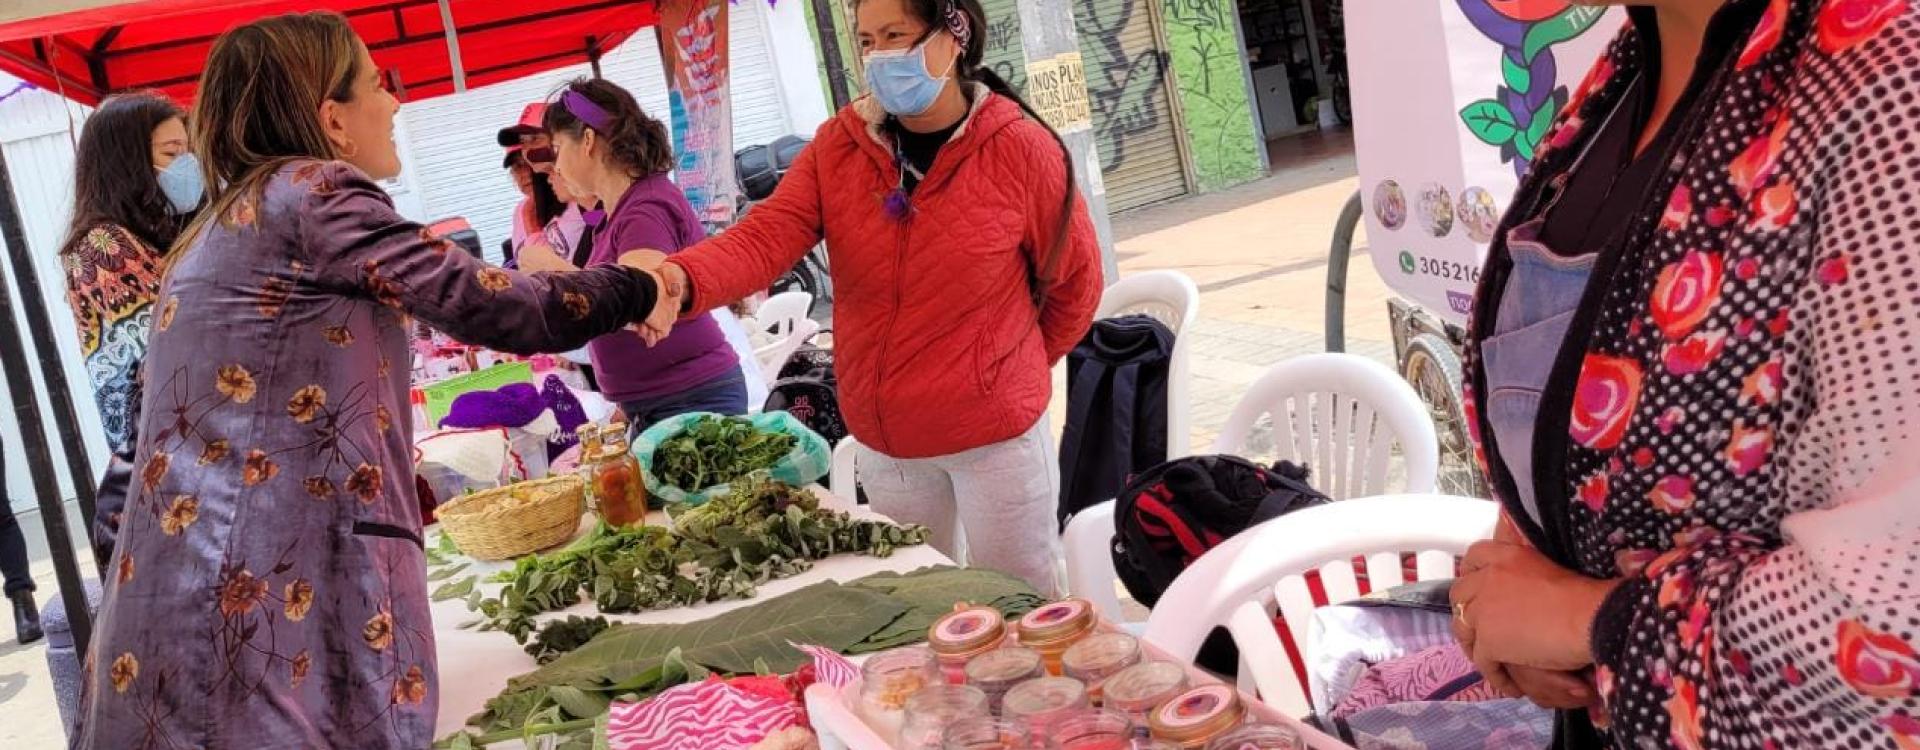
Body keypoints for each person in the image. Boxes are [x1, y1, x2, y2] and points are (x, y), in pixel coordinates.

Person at [72, 13, 671, 748]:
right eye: (376, 84)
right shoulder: (309, 194)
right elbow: (495, 303)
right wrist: (639, 287)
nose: (394, 103)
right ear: (332, 119)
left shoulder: (220, 224)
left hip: (182, 619)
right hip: (250, 631)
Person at [1448, 1, 1920, 748]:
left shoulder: (1888, 81)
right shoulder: (1629, 68)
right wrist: (1517, 574)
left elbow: (1901, 617)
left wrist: (1591, 621)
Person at [641, 0, 1102, 594]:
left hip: (995, 443)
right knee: (920, 607)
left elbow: (1076, 285)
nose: (879, 56)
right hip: (890, 445)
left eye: (896, 35)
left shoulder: (1022, 148)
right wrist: (676, 282)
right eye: (865, 41)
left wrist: (1007, 367)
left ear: (951, 38)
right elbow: (766, 236)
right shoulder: (842, 144)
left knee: (1019, 604)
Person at [542, 78, 750, 430]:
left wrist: (554, 272)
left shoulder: (646, 208)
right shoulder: (619, 211)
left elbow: (640, 295)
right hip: (661, 401)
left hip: (689, 397)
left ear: (588, 141)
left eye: (558, 148)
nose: (556, 167)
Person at [55, 90, 197, 585]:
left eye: (188, 151)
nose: (187, 167)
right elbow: (173, 351)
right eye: (171, 154)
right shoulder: (102, 247)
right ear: (128, 162)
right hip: (166, 470)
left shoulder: (160, 230)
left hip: (183, 460)